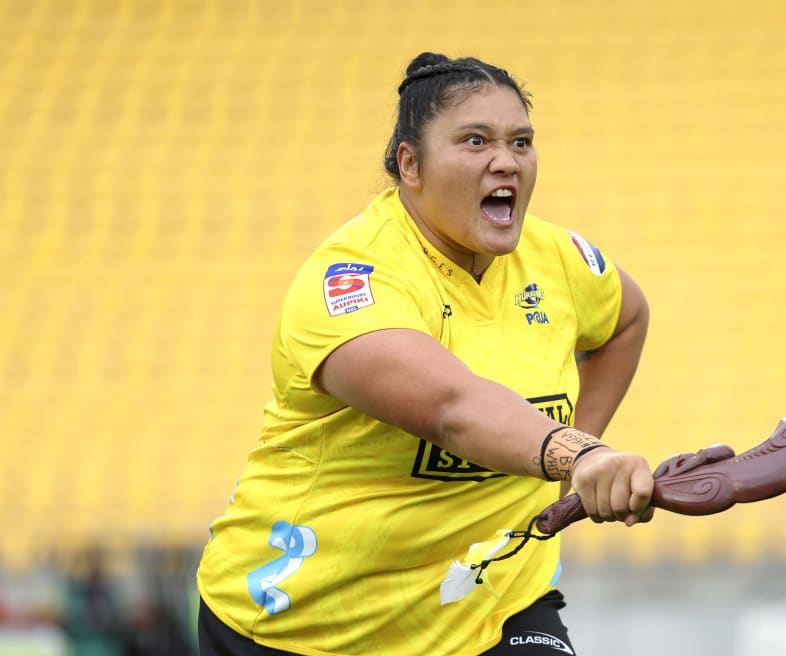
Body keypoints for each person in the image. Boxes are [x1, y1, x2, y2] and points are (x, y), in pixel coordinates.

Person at [195, 51, 654, 656]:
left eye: (521, 142)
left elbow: (627, 318)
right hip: (310, 626)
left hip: (490, 600)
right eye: (474, 141)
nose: (506, 161)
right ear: (410, 164)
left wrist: (575, 470)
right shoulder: (348, 280)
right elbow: (450, 408)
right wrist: (578, 453)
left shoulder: (559, 261)